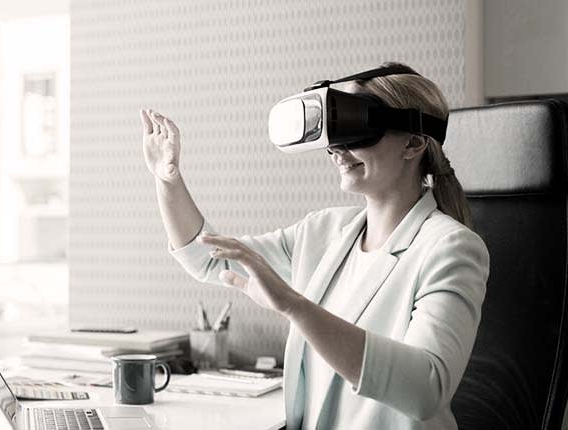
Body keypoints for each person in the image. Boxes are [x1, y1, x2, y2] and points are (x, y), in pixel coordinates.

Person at [139, 62, 490, 429]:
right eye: (334, 135)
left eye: (356, 131)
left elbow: (425, 388)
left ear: (413, 143)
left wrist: (294, 306)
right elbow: (206, 260)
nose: (337, 150)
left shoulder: (451, 248)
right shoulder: (323, 231)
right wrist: (168, 180)